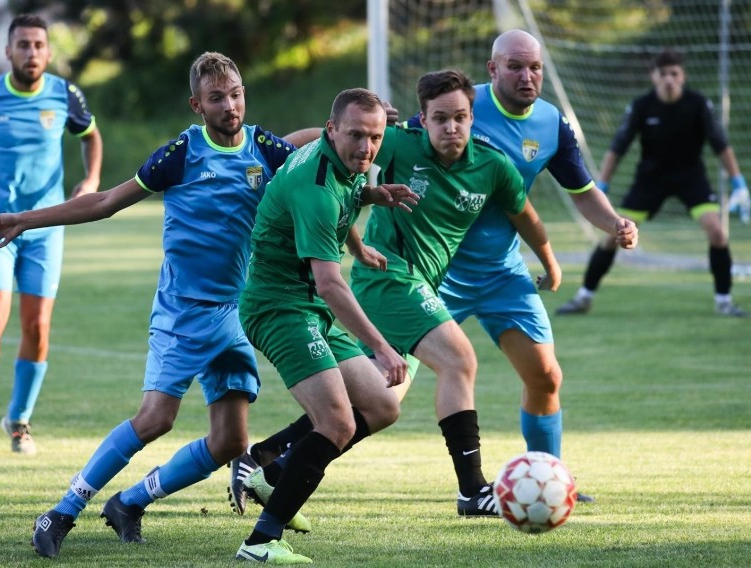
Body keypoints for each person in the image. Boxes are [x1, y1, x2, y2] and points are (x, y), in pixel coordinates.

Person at [228, 30, 639, 517]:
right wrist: (295, 151)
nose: (451, 127)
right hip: (396, 276)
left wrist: (554, 261)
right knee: (457, 363)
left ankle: (269, 465)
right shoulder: (401, 142)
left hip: (470, 277)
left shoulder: (503, 158)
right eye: (440, 118)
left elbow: (527, 212)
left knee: (382, 400)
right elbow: (337, 153)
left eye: (460, 118)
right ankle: (472, 490)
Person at [0, 51, 311, 559]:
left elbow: (306, 153)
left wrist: (342, 139)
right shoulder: (181, 154)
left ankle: (130, 502)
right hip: (184, 312)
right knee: (155, 418)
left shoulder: (264, 149)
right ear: (196, 104)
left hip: (236, 314)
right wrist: (28, 219)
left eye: (237, 93)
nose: (231, 105)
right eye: (217, 97)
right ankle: (62, 511)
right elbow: (105, 201)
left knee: (228, 443)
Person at [234, 88, 419, 564]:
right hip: (279, 308)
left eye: (375, 137)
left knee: (380, 406)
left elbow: (349, 191)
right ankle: (260, 543)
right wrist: (381, 346)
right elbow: (332, 285)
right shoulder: (314, 191)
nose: (366, 147)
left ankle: (272, 477)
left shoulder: (331, 155)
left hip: (307, 304)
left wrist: (368, 211)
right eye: (356, 134)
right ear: (332, 128)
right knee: (336, 422)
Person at [0, 13, 103, 458]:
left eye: (38, 45)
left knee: (37, 324)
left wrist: (90, 181)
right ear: (7, 51)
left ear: (48, 53)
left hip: (44, 228)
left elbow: (91, 137)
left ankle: (20, 421)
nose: (31, 53)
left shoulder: (64, 94)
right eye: (23, 45)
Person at [557, 47, 748, 317]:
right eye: (663, 73)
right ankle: (583, 297)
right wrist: (601, 186)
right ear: (653, 76)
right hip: (650, 180)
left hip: (691, 179)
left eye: (674, 73)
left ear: (682, 77)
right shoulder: (641, 106)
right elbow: (618, 147)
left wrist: (738, 181)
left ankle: (724, 301)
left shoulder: (698, 104)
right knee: (615, 234)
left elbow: (721, 145)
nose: (668, 78)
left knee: (717, 232)